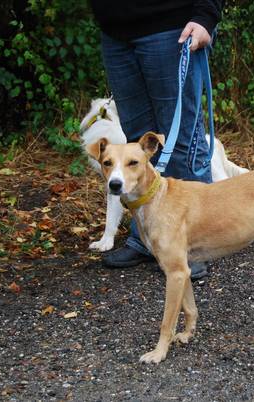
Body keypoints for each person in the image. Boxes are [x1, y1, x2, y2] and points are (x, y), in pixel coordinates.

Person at [89, 0, 223, 279]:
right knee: (137, 144)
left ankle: (194, 246)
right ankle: (147, 238)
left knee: (183, 140)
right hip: (116, 34)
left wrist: (206, 16)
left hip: (172, 27)